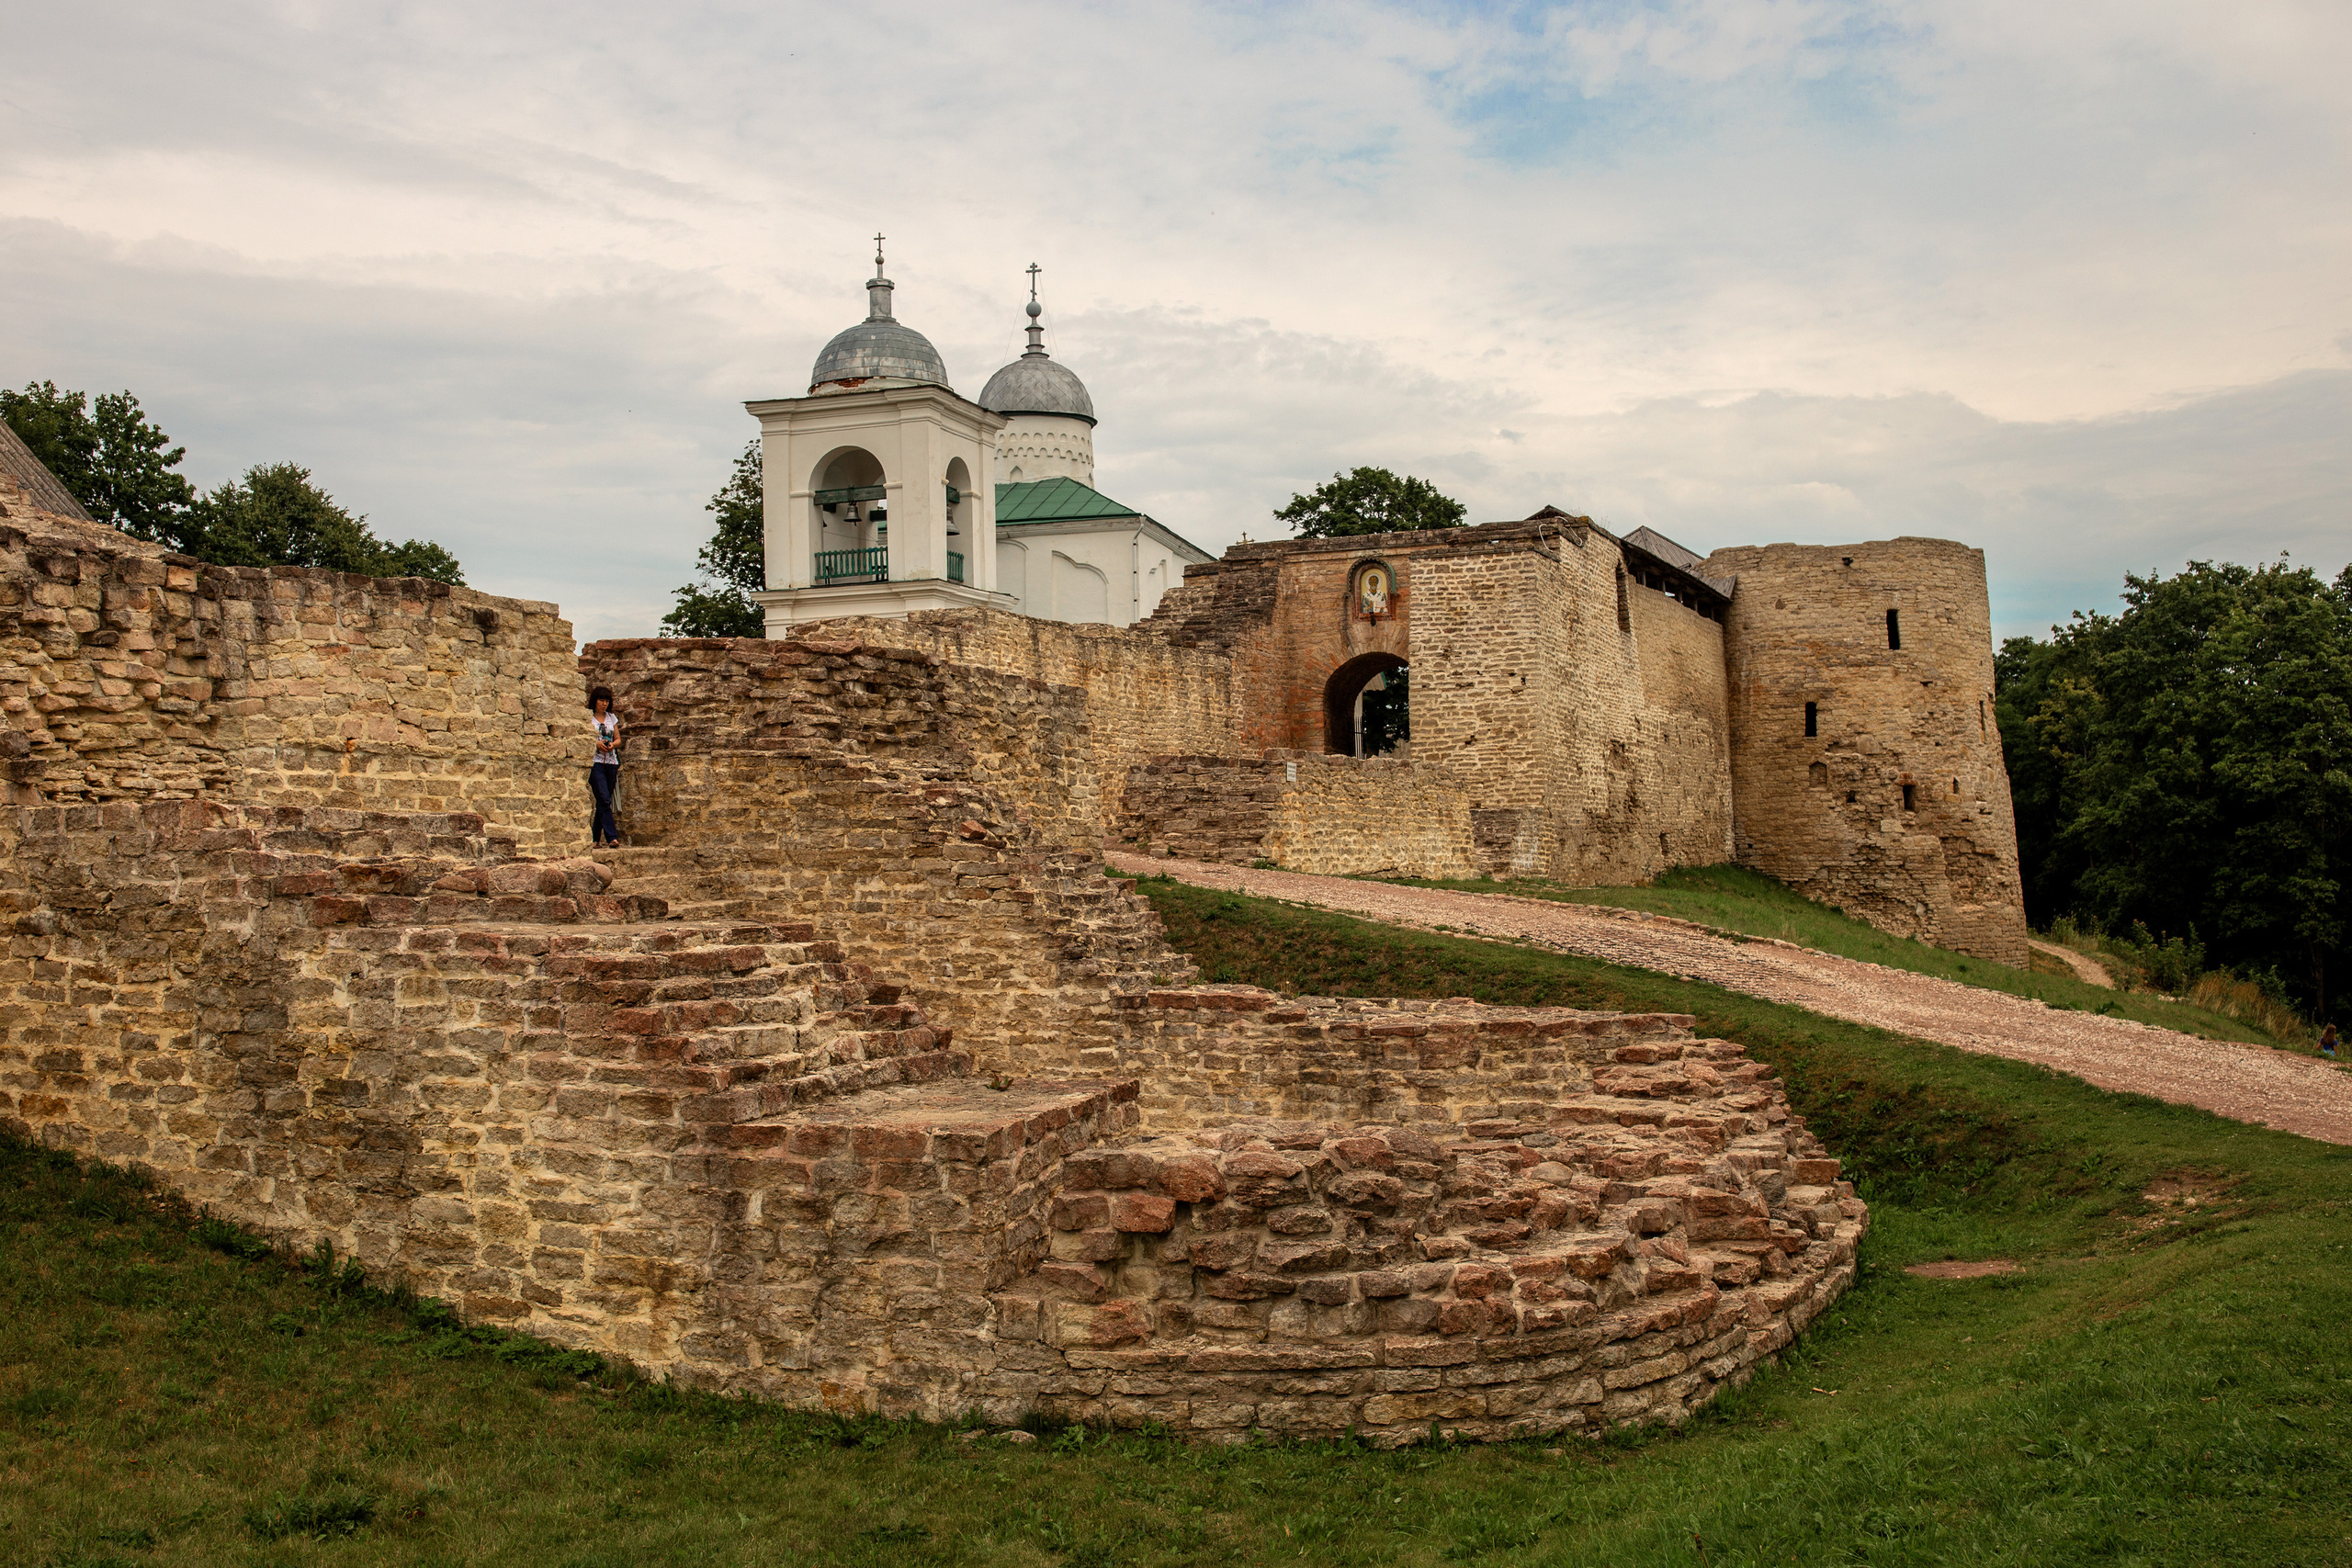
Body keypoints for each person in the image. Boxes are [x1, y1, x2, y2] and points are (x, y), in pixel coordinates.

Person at [587, 686, 623, 847]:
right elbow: (584, 737)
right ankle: (611, 837)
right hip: (595, 762)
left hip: (611, 763)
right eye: (601, 700)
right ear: (594, 700)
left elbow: (618, 739)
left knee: (604, 801)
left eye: (606, 701)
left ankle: (594, 839)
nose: (604, 704)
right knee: (603, 798)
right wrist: (597, 744)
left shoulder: (611, 717)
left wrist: (612, 745)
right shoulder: (588, 718)